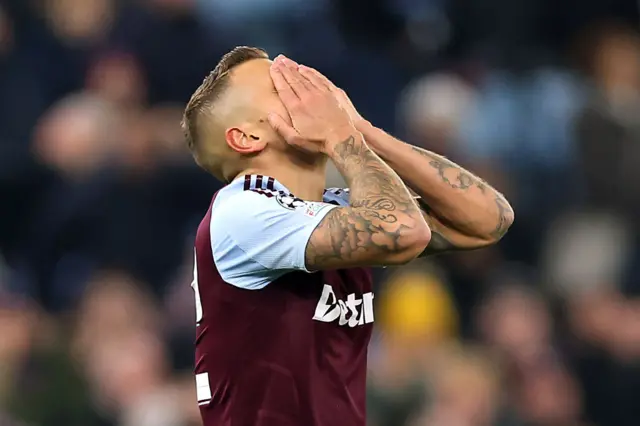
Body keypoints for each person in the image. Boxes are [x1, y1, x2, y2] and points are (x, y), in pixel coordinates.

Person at [181, 46, 514, 426]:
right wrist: (340, 136)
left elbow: (489, 218)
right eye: (282, 87)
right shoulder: (242, 213)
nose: (312, 92)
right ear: (246, 138)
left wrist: (362, 132)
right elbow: (402, 230)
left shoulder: (329, 209)